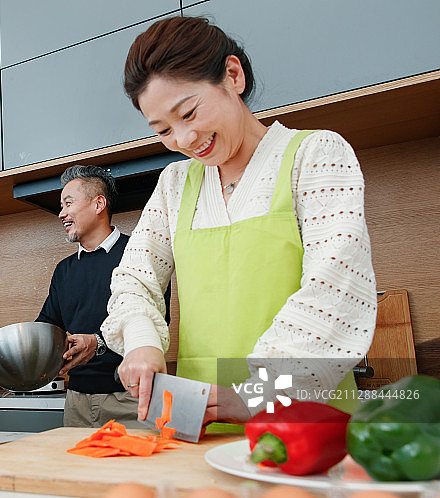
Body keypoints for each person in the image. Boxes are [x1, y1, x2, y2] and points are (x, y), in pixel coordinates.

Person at [102, 16, 377, 428]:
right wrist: (142, 343)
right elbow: (134, 279)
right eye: (163, 131)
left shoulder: (316, 155)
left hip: (306, 427)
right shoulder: (175, 184)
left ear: (233, 75)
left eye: (189, 113)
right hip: (201, 424)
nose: (184, 140)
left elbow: (334, 288)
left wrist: (255, 394)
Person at [37, 165, 170, 428]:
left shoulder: (138, 255)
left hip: (130, 399)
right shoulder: (64, 270)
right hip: (75, 401)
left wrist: (97, 343)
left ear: (99, 204)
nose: (61, 213)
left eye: (68, 203)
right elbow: (47, 326)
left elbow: (158, 324)